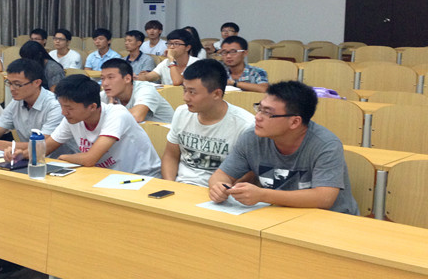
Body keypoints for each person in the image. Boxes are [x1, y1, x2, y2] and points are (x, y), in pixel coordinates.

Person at [208, 81, 359, 215]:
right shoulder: (251, 137)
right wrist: (218, 187)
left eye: (267, 113)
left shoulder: (326, 144)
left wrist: (262, 195)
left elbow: (324, 198)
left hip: (329, 219)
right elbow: (221, 175)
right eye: (259, 108)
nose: (257, 117)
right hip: (278, 214)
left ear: (294, 122)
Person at [5, 74, 161, 177]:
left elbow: (89, 159)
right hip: (104, 176)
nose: (64, 112)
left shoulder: (116, 114)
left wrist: (63, 158)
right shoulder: (72, 118)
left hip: (140, 177)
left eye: (69, 108)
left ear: (92, 107)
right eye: (62, 106)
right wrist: (21, 154)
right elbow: (46, 147)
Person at [162, 59, 254, 187]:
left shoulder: (245, 125)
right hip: (181, 186)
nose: (185, 98)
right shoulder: (181, 112)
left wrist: (224, 191)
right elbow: (171, 155)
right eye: (185, 90)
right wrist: (170, 185)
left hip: (218, 191)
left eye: (192, 92)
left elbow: (250, 172)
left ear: (216, 94)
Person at [0, 59, 76, 157]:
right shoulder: (16, 103)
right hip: (29, 159)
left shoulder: (55, 106)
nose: (12, 88)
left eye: (17, 84)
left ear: (37, 83)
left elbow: (41, 145)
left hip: (61, 162)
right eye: (9, 83)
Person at [100, 59, 174, 123]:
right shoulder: (107, 94)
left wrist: (110, 109)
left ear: (127, 79)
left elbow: (136, 116)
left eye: (111, 77)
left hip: (163, 133)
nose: (105, 83)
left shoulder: (145, 89)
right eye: (102, 78)